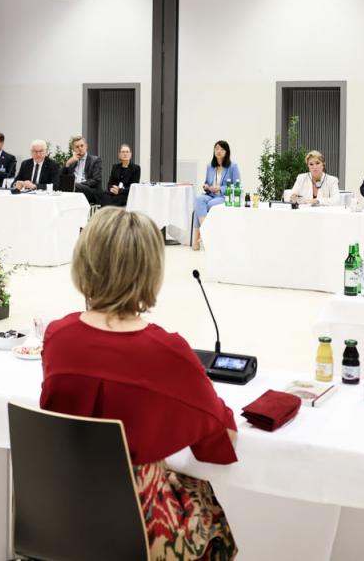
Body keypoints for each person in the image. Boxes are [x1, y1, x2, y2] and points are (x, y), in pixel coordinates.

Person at [41, 208, 238, 560]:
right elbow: (220, 442)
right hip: (138, 528)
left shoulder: (58, 335)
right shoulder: (167, 352)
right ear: (149, 271)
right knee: (207, 508)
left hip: (63, 512)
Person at [193, 140, 239, 250]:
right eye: (217, 148)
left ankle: (197, 241)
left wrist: (220, 188)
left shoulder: (233, 166)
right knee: (198, 200)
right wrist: (206, 186)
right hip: (211, 194)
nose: (219, 151)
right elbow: (207, 182)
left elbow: (237, 186)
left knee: (202, 208)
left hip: (224, 196)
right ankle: (204, 234)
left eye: (222, 149)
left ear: (226, 152)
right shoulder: (210, 166)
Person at [61, 135, 103, 204]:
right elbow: (60, 177)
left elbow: (96, 180)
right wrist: (68, 163)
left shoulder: (95, 160)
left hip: (90, 191)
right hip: (73, 190)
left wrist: (78, 185)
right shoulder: (72, 161)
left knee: (72, 186)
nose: (80, 148)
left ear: (86, 146)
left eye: (82, 146)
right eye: (77, 147)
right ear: (73, 149)